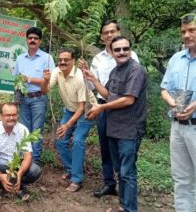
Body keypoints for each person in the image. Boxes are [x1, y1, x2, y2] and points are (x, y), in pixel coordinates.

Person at [83, 36, 147, 212]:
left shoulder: (136, 70)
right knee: (120, 171)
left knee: (127, 172)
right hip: (114, 128)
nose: (121, 52)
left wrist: (101, 108)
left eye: (125, 48)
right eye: (117, 49)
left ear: (130, 50)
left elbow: (128, 100)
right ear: (112, 52)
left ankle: (130, 208)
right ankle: (124, 205)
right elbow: (108, 94)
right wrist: (94, 79)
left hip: (129, 129)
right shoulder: (115, 71)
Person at [78, 19, 139, 198]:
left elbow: (131, 92)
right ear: (102, 37)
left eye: (113, 31)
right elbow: (92, 87)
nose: (110, 35)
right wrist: (87, 75)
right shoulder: (98, 58)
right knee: (106, 146)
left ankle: (126, 185)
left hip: (126, 109)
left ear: (119, 32)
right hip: (103, 106)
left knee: (125, 148)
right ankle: (109, 183)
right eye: (106, 33)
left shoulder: (130, 56)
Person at [42, 48, 96, 192]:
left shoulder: (79, 77)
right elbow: (45, 90)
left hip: (87, 110)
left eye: (66, 60)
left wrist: (67, 125)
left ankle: (77, 180)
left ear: (73, 61)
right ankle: (73, 169)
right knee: (60, 140)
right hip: (70, 109)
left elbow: (82, 107)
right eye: (60, 60)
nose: (62, 62)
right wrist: (45, 80)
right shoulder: (56, 71)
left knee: (78, 140)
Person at [161, 12, 196, 212]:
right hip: (178, 128)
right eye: (183, 31)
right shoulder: (176, 59)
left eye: (192, 30)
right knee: (182, 179)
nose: (186, 35)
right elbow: (164, 89)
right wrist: (173, 102)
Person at [0, 102, 41, 200]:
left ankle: (18, 185)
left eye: (14, 114)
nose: (11, 118)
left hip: (17, 166)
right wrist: (0, 175)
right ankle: (0, 186)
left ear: (17, 115)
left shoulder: (23, 130)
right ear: (1, 116)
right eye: (8, 115)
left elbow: (28, 156)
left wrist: (20, 174)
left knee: (35, 170)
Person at [13, 27, 55, 164]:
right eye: (30, 38)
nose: (32, 40)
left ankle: (35, 160)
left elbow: (50, 81)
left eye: (35, 38)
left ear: (40, 41)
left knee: (37, 130)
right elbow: (17, 80)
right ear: (26, 39)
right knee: (24, 129)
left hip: (39, 98)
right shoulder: (20, 58)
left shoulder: (47, 58)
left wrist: (29, 79)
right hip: (24, 99)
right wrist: (16, 98)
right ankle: (25, 158)